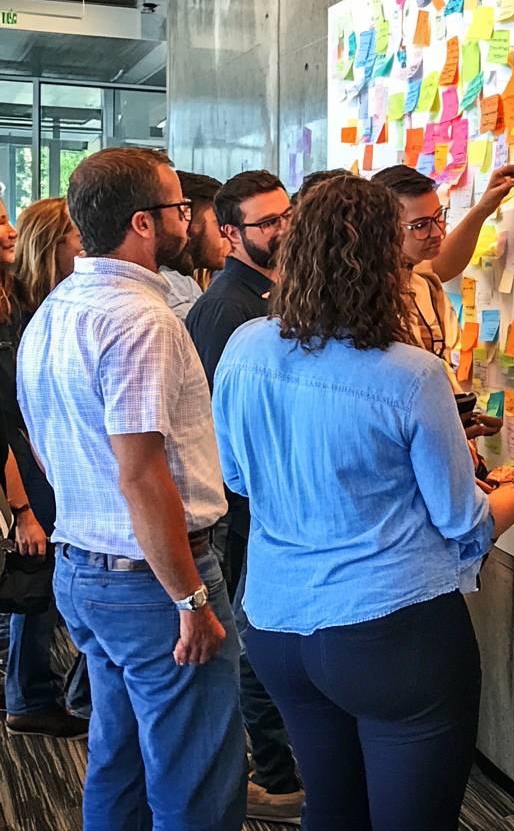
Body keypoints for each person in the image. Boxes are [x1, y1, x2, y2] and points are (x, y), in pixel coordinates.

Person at [212, 175, 514, 831]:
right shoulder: (408, 373)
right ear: (383, 259)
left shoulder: (245, 349)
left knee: (334, 813)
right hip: (390, 636)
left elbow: (240, 480)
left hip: (280, 626)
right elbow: (466, 527)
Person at [16, 148, 245, 831]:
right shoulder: (141, 320)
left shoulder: (56, 310)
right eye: (180, 208)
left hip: (85, 566)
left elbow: (43, 441)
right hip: (152, 582)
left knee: (121, 759)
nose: (189, 218)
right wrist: (191, 598)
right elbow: (142, 473)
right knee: (194, 778)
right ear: (142, 224)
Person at [185, 168, 304, 823]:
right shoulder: (230, 307)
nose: (283, 229)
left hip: (267, 505)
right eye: (267, 222)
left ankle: (283, 773)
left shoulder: (274, 291)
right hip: (242, 511)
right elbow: (214, 426)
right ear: (228, 233)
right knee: (253, 644)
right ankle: (277, 779)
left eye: (287, 215)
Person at [1, 198, 90, 737]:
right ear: (53, 245)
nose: (87, 247)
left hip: (41, 459)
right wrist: (24, 506)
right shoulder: (24, 313)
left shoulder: (36, 305)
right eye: (78, 237)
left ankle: (32, 691)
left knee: (40, 586)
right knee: (36, 586)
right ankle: (29, 697)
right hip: (27, 466)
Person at [371, 163, 514, 387]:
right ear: (385, 229)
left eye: (439, 216)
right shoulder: (370, 296)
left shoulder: (418, 273)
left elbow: (445, 262)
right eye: (421, 225)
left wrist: (483, 208)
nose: (437, 232)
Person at [160, 171, 228, 317]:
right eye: (220, 224)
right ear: (186, 221)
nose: (229, 236)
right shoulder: (174, 293)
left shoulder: (185, 285)